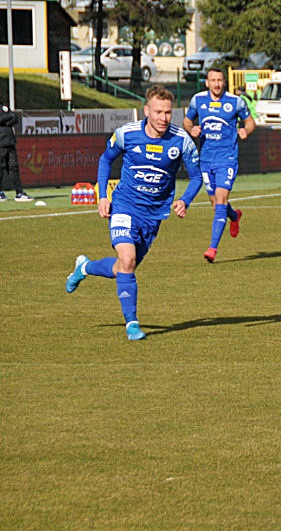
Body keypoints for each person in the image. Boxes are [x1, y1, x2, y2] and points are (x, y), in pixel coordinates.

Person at [64, 85, 202, 341]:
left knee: (122, 268)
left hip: (153, 216)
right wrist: (102, 195)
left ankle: (84, 268)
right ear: (146, 110)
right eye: (159, 112)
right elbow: (106, 160)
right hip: (125, 206)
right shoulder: (127, 134)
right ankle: (132, 325)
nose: (164, 118)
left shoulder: (181, 140)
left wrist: (185, 200)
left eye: (168, 112)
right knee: (127, 260)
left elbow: (196, 177)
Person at [183, 67, 255, 263]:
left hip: (227, 159)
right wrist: (192, 129)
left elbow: (250, 122)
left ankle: (212, 248)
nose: (217, 84)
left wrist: (245, 131)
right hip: (206, 160)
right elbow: (187, 121)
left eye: (220, 80)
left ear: (224, 82)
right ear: (207, 82)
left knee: (221, 200)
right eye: (213, 80)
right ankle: (234, 216)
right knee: (216, 205)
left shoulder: (235, 102)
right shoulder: (198, 100)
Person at [0, 102, 33, 202]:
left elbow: (15, 118)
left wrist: (7, 118)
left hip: (10, 141)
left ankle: (19, 192)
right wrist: (8, 118)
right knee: (1, 167)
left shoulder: (3, 106)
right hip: (0, 142)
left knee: (14, 167)